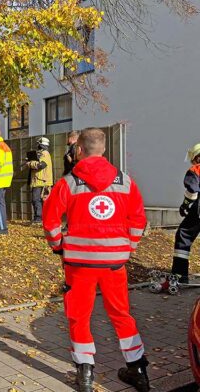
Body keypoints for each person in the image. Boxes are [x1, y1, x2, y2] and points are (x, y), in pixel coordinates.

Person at [42, 127, 149, 392]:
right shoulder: (125, 181)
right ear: (103, 150)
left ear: (79, 150)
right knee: (122, 314)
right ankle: (138, 370)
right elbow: (138, 220)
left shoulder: (67, 183)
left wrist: (58, 247)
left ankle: (86, 374)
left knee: (79, 316)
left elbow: (50, 220)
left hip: (79, 264)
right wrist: (128, 247)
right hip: (114, 264)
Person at [169, 142, 200, 284]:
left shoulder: (196, 170)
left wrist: (185, 206)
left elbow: (192, 192)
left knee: (184, 234)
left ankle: (180, 274)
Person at [26, 136, 53, 224]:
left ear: (40, 144)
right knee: (38, 200)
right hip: (39, 180)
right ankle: (40, 218)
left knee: (36, 199)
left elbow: (41, 165)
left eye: (38, 144)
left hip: (40, 181)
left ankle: (38, 219)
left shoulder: (45, 153)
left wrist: (30, 163)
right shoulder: (42, 153)